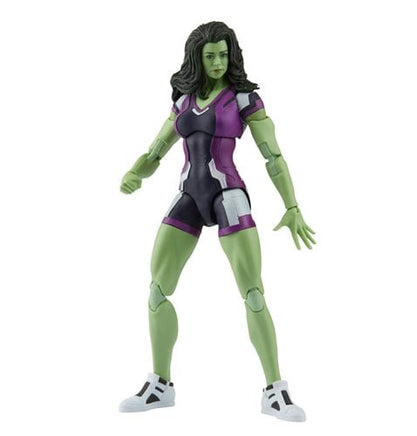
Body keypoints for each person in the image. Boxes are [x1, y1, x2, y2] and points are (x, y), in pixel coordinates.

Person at [119, 21, 315, 422]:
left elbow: (273, 155)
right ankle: (160, 384)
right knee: (156, 291)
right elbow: (156, 150)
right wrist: (136, 172)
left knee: (254, 293)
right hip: (188, 196)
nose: (217, 62)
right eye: (209, 56)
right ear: (197, 58)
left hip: (228, 196)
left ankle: (275, 390)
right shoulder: (184, 101)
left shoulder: (244, 99)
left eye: (223, 55)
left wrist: (292, 205)